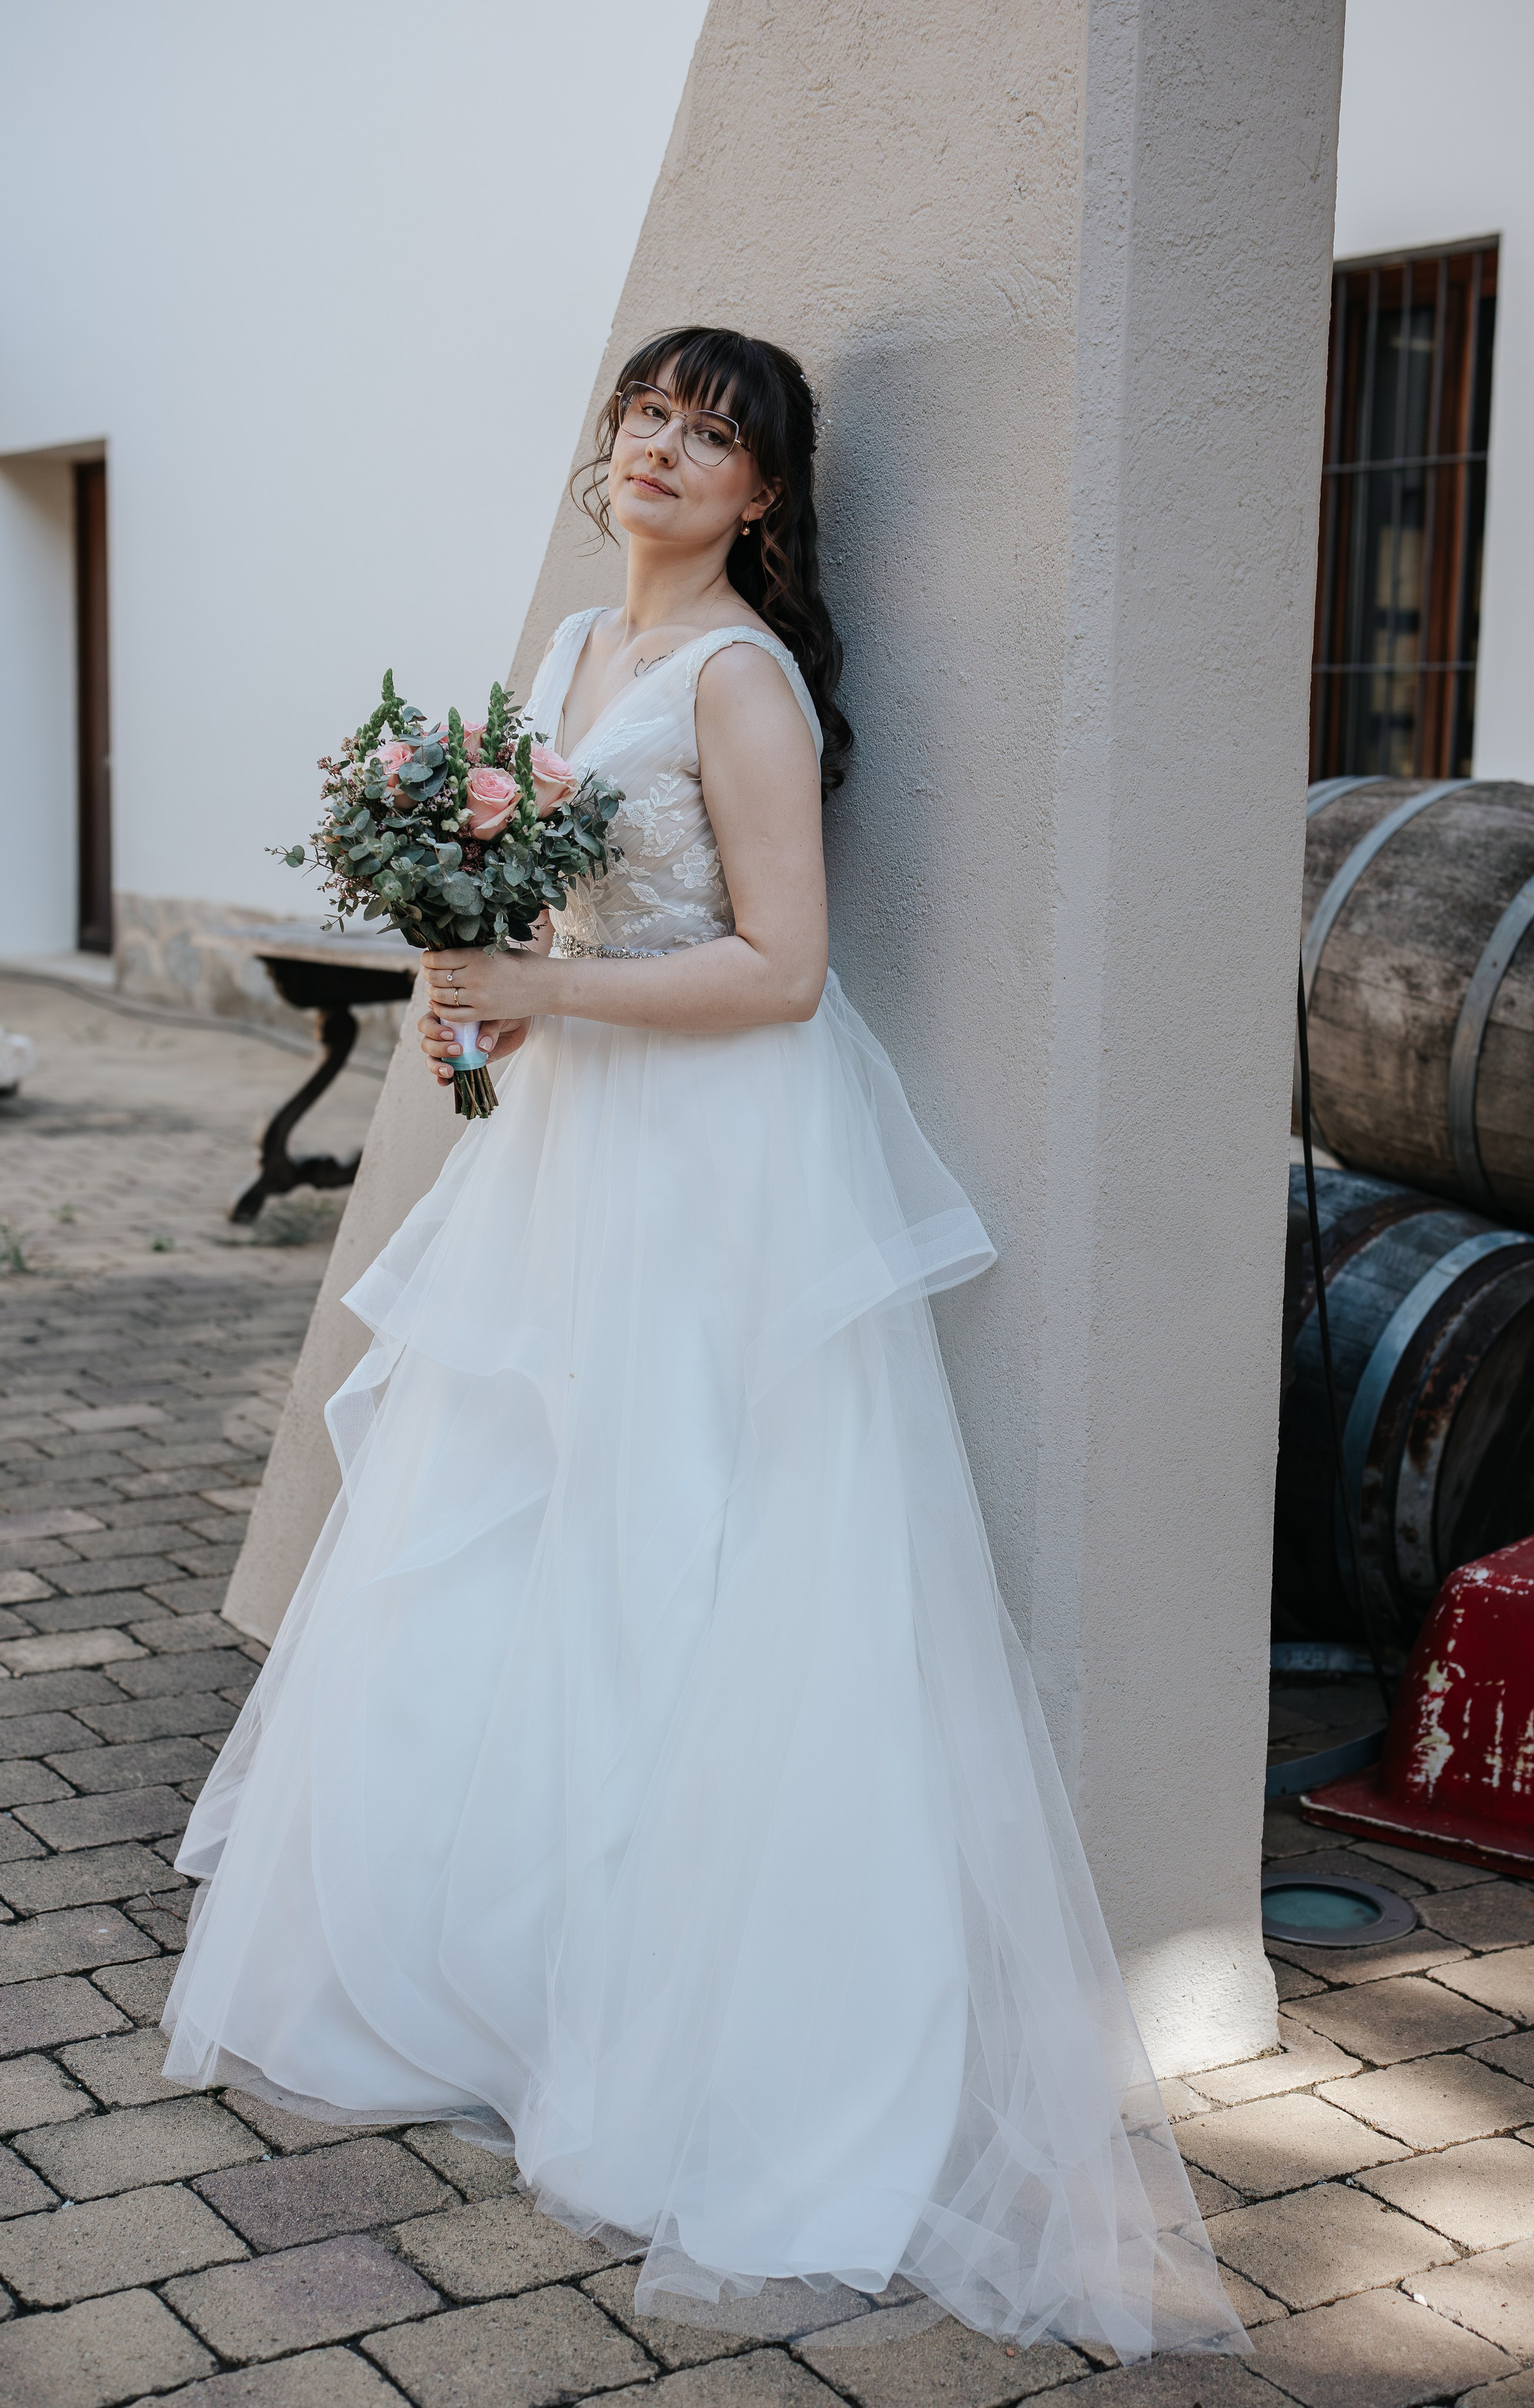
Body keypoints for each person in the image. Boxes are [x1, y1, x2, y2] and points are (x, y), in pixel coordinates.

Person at [163, 327, 1246, 2363]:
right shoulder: (571, 654)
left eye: (711, 435)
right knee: (512, 1520)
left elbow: (781, 967)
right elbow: (545, 923)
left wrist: (549, 994)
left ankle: (695, 2036)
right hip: (567, 1157)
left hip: (717, 1172)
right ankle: (511, 1978)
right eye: (643, 416)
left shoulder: (736, 678)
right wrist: (474, 991)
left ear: (765, 495)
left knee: (686, 1542)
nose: (661, 449)